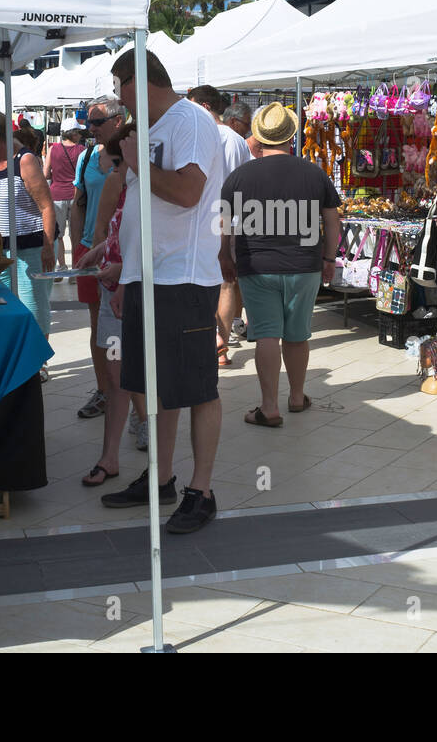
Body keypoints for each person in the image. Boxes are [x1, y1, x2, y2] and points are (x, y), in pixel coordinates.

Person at [100, 48, 225, 534]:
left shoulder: (188, 120)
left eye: (118, 87)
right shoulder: (153, 129)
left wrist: (136, 163)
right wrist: (120, 261)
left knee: (197, 388)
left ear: (137, 81)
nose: (118, 99)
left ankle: (203, 490)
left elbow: (189, 192)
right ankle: (163, 478)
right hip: (148, 276)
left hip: (183, 279)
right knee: (156, 387)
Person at [220, 101, 341, 427]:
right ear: (291, 137)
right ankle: (297, 397)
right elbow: (332, 222)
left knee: (268, 335)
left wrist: (223, 256)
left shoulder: (239, 176)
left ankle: (269, 406)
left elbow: (225, 222)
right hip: (304, 266)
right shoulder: (315, 174)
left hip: (256, 266)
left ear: (258, 136)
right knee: (298, 335)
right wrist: (329, 258)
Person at [75, 123, 152, 483]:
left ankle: (150, 454)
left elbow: (157, 247)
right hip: (117, 289)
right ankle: (110, 456)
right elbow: (121, 232)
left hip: (137, 291)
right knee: (117, 376)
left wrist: (119, 268)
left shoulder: (148, 186)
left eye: (116, 160)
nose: (112, 168)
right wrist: (100, 251)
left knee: (135, 376)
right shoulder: (128, 183)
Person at [0, 110, 57, 357]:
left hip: (29, 246)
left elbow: (46, 206)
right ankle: (13, 357)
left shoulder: (25, 160)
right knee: (1, 305)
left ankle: (38, 362)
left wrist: (48, 247)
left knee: (33, 308)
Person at [71, 97, 126, 419]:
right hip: (94, 249)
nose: (90, 129)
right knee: (99, 326)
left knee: (124, 328)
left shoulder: (129, 157)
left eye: (96, 122)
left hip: (122, 253)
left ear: (118, 121)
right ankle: (104, 390)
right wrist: (80, 244)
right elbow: (79, 202)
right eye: (88, 123)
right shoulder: (88, 156)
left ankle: (131, 399)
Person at [189, 84, 252, 363]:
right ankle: (221, 347)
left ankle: (212, 342)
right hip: (231, 218)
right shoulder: (237, 140)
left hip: (202, 218)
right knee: (226, 283)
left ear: (203, 106)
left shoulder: (198, 134)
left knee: (204, 282)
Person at [45, 118, 87, 271]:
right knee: (76, 235)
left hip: (57, 196)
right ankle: (76, 267)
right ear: (74, 133)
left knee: (59, 235)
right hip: (77, 196)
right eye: (79, 132)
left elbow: (45, 174)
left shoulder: (53, 149)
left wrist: (56, 175)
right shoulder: (82, 150)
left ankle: (61, 267)